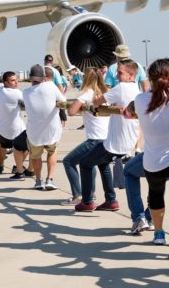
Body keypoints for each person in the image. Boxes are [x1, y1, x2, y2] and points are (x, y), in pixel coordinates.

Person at [128, 58, 169, 246]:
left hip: (153, 160)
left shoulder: (140, 100)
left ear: (149, 77)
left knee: (155, 194)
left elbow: (132, 110)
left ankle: (159, 233)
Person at [75, 60, 141, 212]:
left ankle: (87, 202)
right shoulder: (136, 89)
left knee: (85, 163)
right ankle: (110, 200)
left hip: (116, 142)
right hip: (128, 140)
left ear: (131, 75)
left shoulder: (121, 87)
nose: (117, 75)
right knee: (102, 162)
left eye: (120, 73)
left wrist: (92, 105)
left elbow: (98, 101)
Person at [62, 68, 109, 205]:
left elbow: (71, 111)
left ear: (86, 79)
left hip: (94, 139)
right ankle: (91, 194)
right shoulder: (105, 94)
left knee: (69, 161)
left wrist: (81, 106)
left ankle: (78, 195)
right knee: (91, 163)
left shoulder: (87, 94)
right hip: (107, 138)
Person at [23, 64, 66, 190]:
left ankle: (38, 181)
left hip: (34, 132)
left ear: (31, 78)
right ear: (44, 77)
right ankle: (49, 179)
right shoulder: (51, 86)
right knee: (52, 152)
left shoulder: (25, 92)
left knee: (35, 156)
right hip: (52, 129)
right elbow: (63, 101)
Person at [0, 71, 28, 176]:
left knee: (3, 146)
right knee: (27, 147)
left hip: (2, 128)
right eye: (13, 80)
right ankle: (18, 166)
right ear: (5, 82)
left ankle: (0, 165)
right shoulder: (18, 93)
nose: (16, 82)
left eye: (16, 80)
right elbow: (28, 105)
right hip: (16, 129)